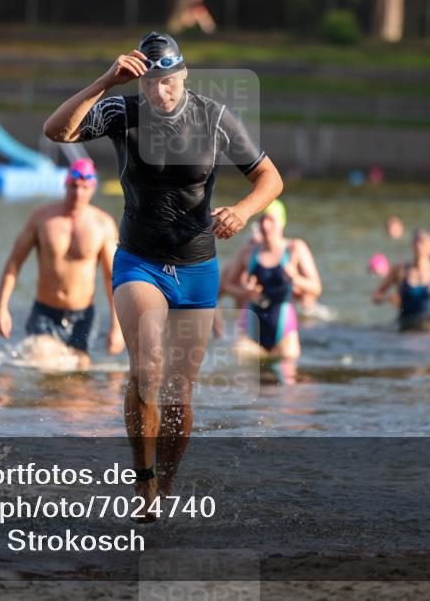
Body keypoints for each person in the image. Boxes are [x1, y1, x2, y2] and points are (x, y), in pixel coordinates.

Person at [42, 31, 282, 519]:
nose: (160, 92)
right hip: (139, 260)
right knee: (147, 368)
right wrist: (107, 81)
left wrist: (243, 210)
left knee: (179, 395)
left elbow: (269, 178)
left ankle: (166, 488)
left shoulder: (214, 118)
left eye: (168, 81)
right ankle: (144, 482)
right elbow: (57, 131)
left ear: (183, 75)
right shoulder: (123, 112)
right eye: (151, 82)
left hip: (197, 265)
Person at [0, 158, 125, 370]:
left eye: (84, 188)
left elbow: (112, 278)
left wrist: (117, 327)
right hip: (45, 312)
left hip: (83, 315)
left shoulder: (103, 225)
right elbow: (14, 264)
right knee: (44, 362)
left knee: (79, 374)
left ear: (92, 189)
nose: (78, 193)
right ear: (65, 184)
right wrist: (1, 308)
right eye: (73, 186)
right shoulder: (42, 218)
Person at [224, 199, 320, 360]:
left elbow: (316, 288)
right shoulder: (249, 251)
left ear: (282, 223)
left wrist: (295, 278)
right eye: (262, 219)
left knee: (287, 378)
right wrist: (245, 293)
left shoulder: (295, 248)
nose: (266, 225)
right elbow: (227, 284)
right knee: (237, 365)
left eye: (271, 220)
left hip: (284, 329)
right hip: (251, 327)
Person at [372, 229, 430, 332]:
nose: (419, 246)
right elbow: (376, 297)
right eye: (416, 242)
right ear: (412, 246)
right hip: (405, 323)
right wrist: (388, 298)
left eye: (423, 243)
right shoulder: (400, 270)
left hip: (429, 323)